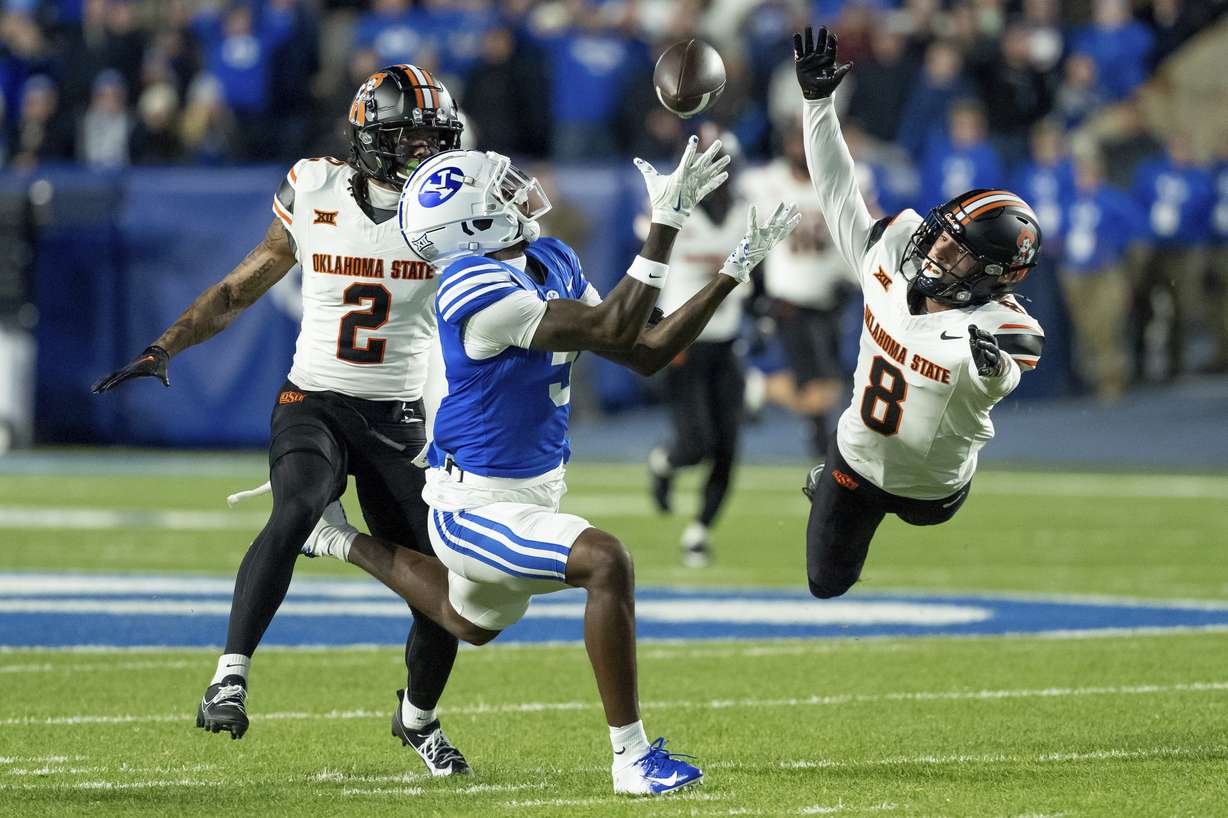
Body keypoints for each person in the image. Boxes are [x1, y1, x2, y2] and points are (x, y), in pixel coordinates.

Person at [302, 141, 799, 794]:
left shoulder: (551, 258)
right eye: (500, 192)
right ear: (472, 224)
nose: (519, 192)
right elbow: (615, 326)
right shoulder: (472, 287)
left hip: (534, 492)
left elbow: (644, 350)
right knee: (606, 561)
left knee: (467, 621)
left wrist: (731, 272)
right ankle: (631, 759)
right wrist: (667, 224)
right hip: (474, 505)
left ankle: (334, 536)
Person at [90, 65, 473, 776]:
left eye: (432, 138)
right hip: (314, 399)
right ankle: (228, 677)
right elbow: (238, 288)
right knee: (298, 505)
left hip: (398, 415)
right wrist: (166, 345)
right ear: (369, 137)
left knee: (446, 588)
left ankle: (418, 718)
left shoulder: (453, 209)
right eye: (408, 137)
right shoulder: (315, 186)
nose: (424, 152)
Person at [792, 26, 1046, 600]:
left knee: (922, 513)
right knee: (825, 584)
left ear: (996, 276)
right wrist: (817, 105)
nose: (937, 252)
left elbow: (1002, 373)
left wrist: (989, 371)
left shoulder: (1001, 327)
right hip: (857, 455)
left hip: (933, 489)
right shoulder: (890, 257)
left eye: (959, 252)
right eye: (942, 237)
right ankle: (829, 479)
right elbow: (836, 189)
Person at [646, 127, 753, 567]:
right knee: (696, 444)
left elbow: (758, 274)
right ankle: (665, 462)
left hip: (727, 344)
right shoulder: (672, 213)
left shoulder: (746, 212)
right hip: (682, 343)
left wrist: (763, 313)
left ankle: (699, 532)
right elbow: (645, 271)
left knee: (728, 448)